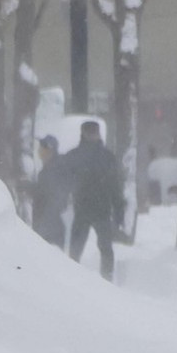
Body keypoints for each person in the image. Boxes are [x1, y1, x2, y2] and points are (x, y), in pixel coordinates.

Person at [60, 120, 124, 281]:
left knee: (81, 249)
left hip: (88, 208)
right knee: (101, 249)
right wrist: (118, 209)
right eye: (92, 132)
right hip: (97, 209)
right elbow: (115, 186)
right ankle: (104, 279)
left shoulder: (74, 156)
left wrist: (118, 208)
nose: (93, 135)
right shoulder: (107, 157)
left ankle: (73, 278)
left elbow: (65, 182)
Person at [30, 135, 70, 248]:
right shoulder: (51, 168)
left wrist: (27, 187)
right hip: (48, 223)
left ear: (49, 151)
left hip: (49, 225)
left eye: (42, 149)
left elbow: (46, 192)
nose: (39, 152)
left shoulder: (54, 170)